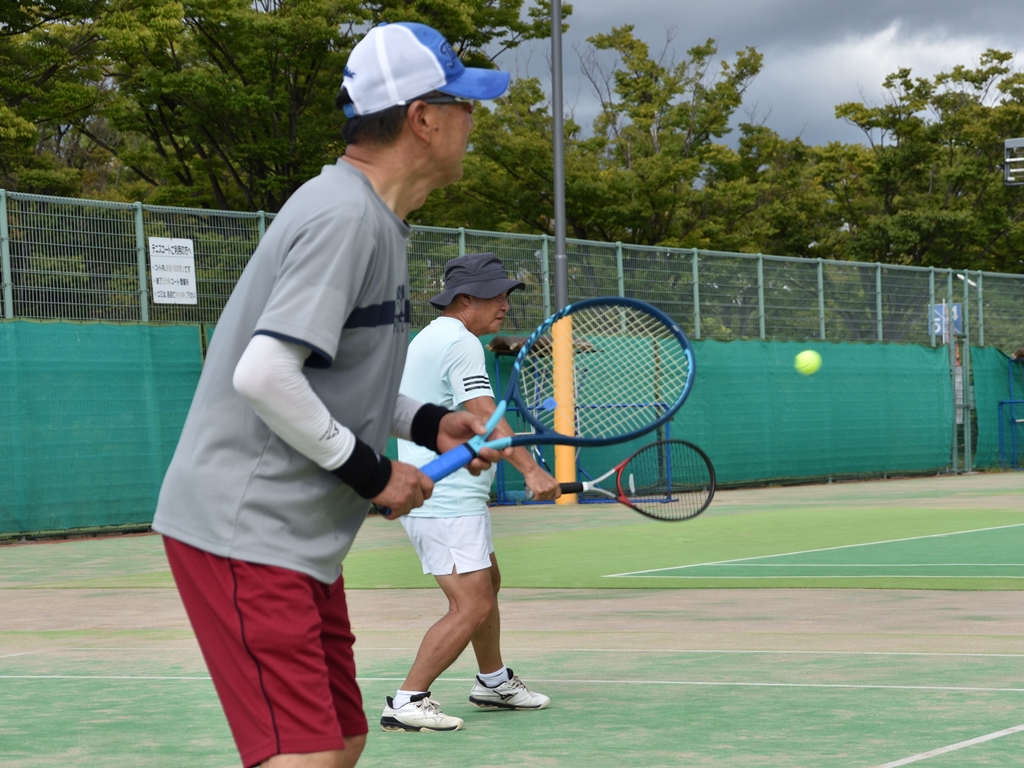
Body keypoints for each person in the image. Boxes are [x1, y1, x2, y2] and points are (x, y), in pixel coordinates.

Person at [151, 22, 510, 768]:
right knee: (307, 755)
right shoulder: (344, 217)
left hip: (295, 538)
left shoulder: (373, 219)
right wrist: (376, 474)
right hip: (246, 529)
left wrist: (432, 422)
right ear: (423, 118)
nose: (473, 119)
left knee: (341, 741)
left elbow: (336, 374)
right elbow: (263, 375)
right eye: (463, 103)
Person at [380, 252, 562, 733]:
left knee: (488, 584)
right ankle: (407, 700)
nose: (505, 304)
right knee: (473, 604)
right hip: (445, 499)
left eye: (506, 295)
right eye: (495, 295)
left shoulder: (431, 337)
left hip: (448, 494)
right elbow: (485, 417)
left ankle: (493, 681)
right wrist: (532, 470)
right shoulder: (459, 343)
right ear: (464, 298)